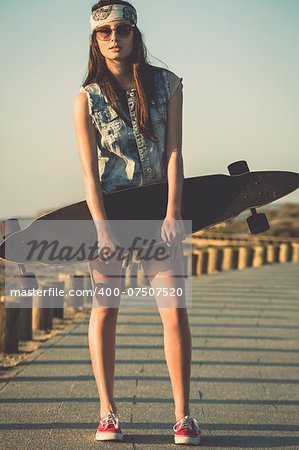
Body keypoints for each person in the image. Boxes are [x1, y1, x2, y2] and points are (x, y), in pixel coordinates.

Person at [73, 0, 201, 445]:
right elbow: (90, 173)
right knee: (105, 310)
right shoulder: (85, 99)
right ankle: (107, 412)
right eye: (103, 32)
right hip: (110, 213)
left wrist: (172, 212)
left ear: (134, 33)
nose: (113, 38)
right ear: (95, 40)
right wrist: (103, 229)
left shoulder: (167, 85)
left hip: (157, 215)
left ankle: (183, 417)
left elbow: (174, 153)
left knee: (174, 313)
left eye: (121, 29)